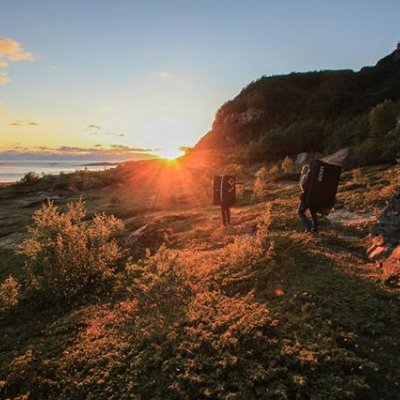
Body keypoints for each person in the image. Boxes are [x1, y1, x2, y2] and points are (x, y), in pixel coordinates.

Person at [298, 164, 318, 233]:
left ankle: (308, 226)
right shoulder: (313, 177)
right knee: (313, 212)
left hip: (306, 198)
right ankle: (315, 228)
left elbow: (304, 188)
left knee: (300, 212)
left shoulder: (304, 177)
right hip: (314, 197)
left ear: (304, 170)